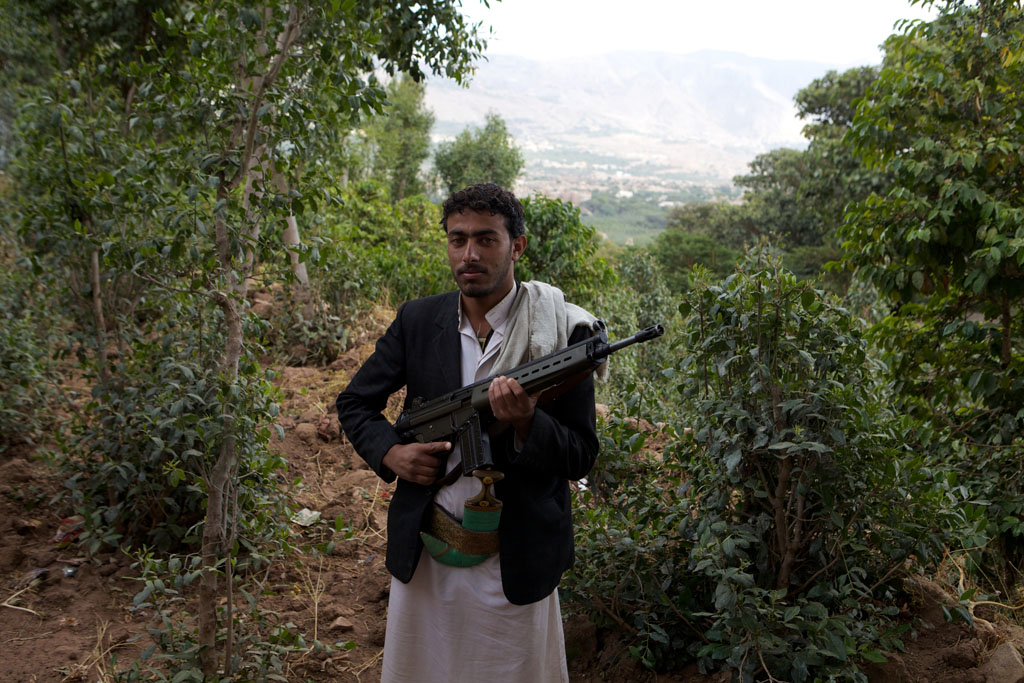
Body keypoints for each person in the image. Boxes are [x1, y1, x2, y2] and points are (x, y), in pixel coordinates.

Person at [336, 183, 600, 682]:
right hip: (428, 550)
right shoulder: (418, 321)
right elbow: (354, 403)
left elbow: (581, 455)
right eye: (458, 240)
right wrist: (392, 455)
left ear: (517, 246)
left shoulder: (563, 334)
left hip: (516, 556)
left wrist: (527, 422)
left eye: (486, 239)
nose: (469, 254)